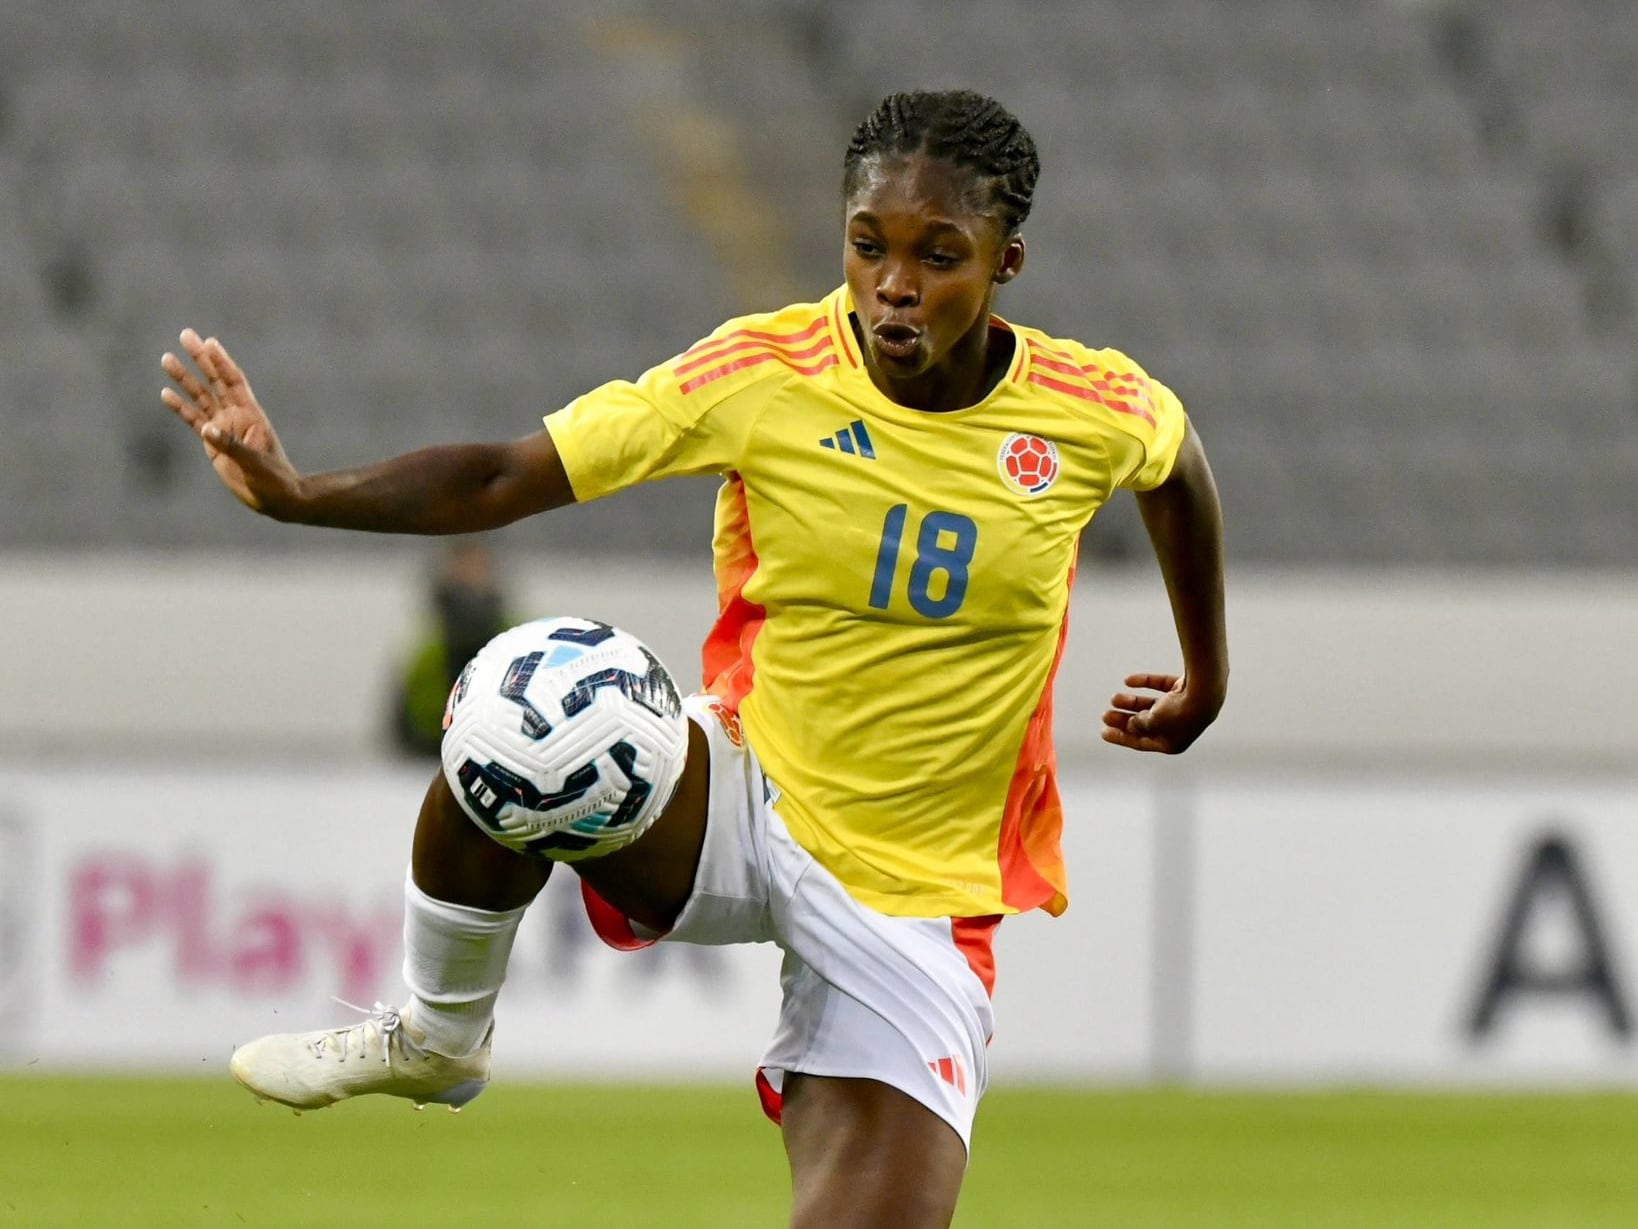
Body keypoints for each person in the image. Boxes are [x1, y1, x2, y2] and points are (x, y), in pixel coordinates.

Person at [160, 89, 1228, 1229]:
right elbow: (507, 475)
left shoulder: (1090, 408)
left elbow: (1179, 474)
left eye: (939, 255)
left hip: (918, 895)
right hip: (745, 793)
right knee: (526, 708)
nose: (894, 283)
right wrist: (300, 494)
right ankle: (437, 1034)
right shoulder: (766, 371)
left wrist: (1205, 675)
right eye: (868, 245)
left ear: (1006, 260)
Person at [388, 539, 514, 758]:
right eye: (460, 572)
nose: (468, 579)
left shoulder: (517, 643)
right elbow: (404, 728)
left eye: (475, 570)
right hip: (429, 758)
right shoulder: (427, 656)